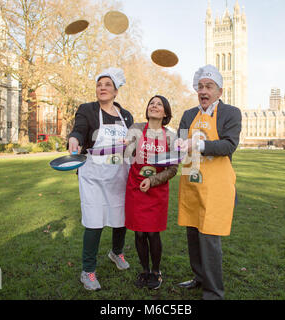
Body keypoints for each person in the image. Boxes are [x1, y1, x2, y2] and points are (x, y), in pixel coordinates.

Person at [175, 65, 242, 300]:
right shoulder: (188, 114)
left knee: (209, 237)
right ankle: (199, 277)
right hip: (191, 181)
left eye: (209, 86)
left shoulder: (231, 113)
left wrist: (198, 145)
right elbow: (180, 142)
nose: (204, 91)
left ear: (219, 91)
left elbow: (228, 145)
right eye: (200, 86)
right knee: (193, 234)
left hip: (216, 184)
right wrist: (177, 146)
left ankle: (213, 291)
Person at [68, 67, 134, 291]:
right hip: (94, 174)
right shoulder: (87, 110)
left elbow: (132, 143)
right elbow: (79, 130)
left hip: (118, 174)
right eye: (99, 84)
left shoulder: (126, 116)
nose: (102, 88)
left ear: (116, 91)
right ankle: (88, 270)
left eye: (107, 85)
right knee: (94, 220)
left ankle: (116, 252)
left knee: (121, 217)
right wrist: (74, 140)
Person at [124, 95, 178, 290]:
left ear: (165, 113)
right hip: (135, 188)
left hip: (156, 191)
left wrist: (152, 180)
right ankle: (145, 270)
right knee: (139, 233)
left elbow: (172, 169)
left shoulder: (171, 137)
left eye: (159, 104)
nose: (154, 106)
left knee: (153, 234)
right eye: (151, 103)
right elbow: (127, 155)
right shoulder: (135, 129)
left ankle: (156, 271)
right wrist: (125, 146)